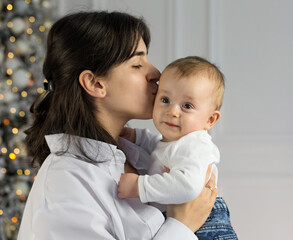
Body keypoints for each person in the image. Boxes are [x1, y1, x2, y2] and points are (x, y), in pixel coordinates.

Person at [18, 11, 217, 240]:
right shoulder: (64, 186)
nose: (156, 73)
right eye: (137, 64)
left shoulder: (138, 153)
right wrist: (182, 225)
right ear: (95, 83)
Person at [118, 56, 238, 240]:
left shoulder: (196, 146)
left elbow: (188, 186)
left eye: (187, 106)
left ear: (210, 120)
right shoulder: (177, 142)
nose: (172, 111)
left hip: (207, 226)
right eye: (165, 100)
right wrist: (137, 136)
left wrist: (139, 186)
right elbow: (161, 147)